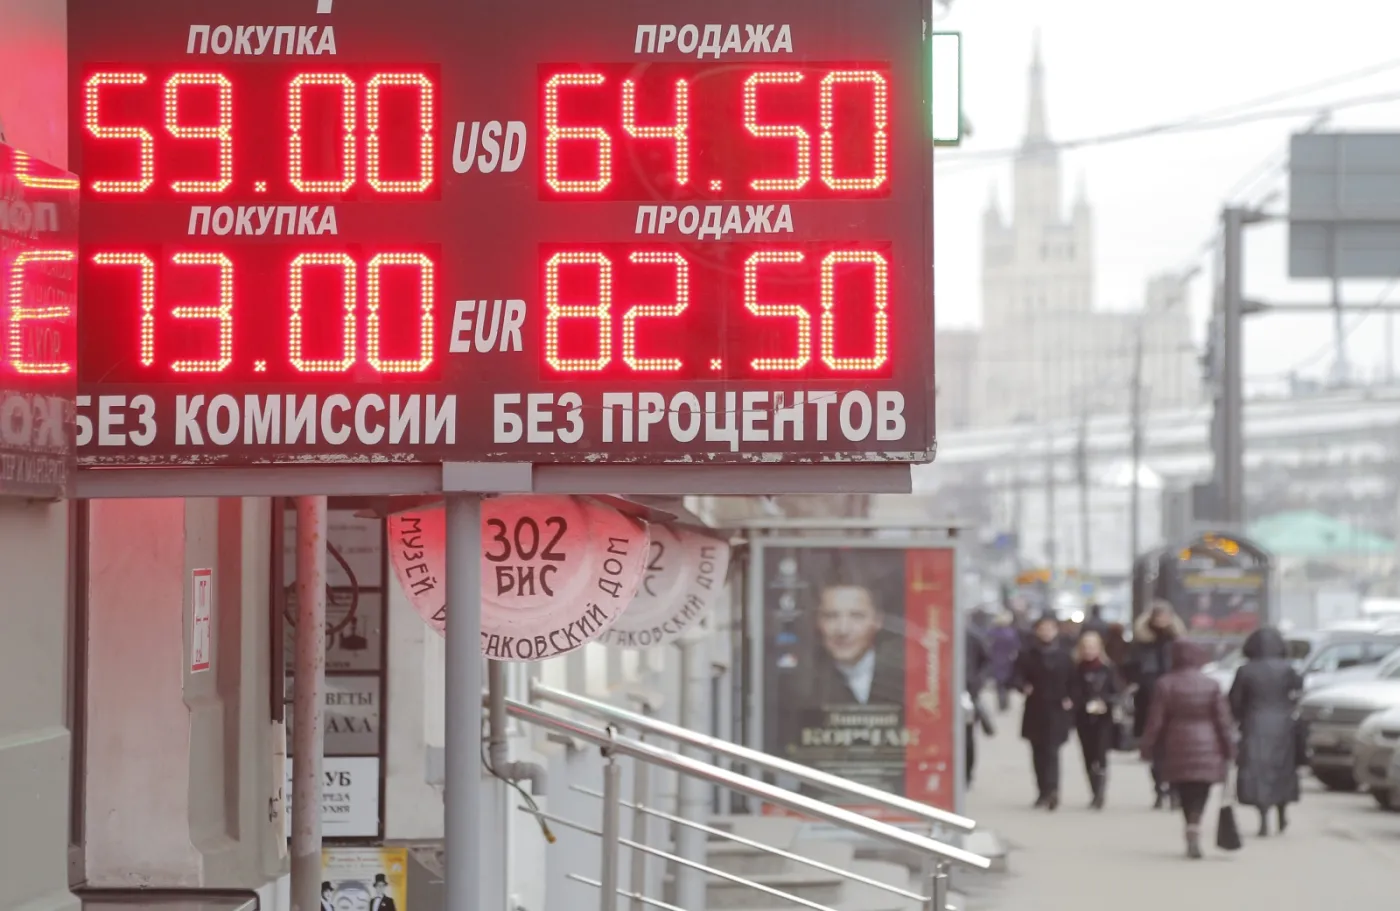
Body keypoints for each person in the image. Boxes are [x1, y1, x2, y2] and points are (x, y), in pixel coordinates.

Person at [1138, 639, 1236, 859]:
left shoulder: (1166, 683)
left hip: (1177, 741)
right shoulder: (1211, 684)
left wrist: (1148, 746)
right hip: (1208, 742)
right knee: (1201, 787)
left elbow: (1156, 720)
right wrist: (1229, 748)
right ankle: (1196, 820)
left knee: (1183, 788)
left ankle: (1189, 826)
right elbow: (1223, 721)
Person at [1229, 626, 1303, 836]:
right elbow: (1298, 691)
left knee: (1258, 772)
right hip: (1284, 726)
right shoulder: (1288, 669)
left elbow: (1235, 700)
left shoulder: (1245, 670)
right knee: (1283, 769)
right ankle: (1282, 812)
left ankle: (1263, 818)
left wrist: (1239, 719)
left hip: (1254, 724)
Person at [1127, 600, 1186, 808]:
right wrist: (1138, 683)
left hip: (1175, 703)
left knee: (1175, 749)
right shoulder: (1141, 643)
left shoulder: (1178, 643)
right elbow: (1131, 668)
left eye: (1165, 616)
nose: (1162, 620)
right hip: (1149, 702)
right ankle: (1159, 787)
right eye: (1158, 616)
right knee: (1155, 749)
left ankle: (1174, 789)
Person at [1014, 614, 1075, 810]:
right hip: (1035, 708)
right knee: (1038, 752)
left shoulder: (1065, 655)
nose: (1046, 632)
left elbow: (1074, 681)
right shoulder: (1027, 654)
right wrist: (1023, 686)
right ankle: (1041, 791)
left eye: (1050, 628)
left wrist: (1070, 698)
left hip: (1057, 709)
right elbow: (1015, 677)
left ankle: (1053, 790)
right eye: (1042, 628)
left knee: (1053, 751)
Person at [812, 582, 903, 706]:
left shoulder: (905, 678)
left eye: (856, 616)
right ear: (818, 622)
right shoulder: (801, 685)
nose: (843, 630)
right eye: (831, 616)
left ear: (878, 621)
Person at [1069, 631, 1120, 809]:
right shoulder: (1076, 669)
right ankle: (1093, 790)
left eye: (1092, 647)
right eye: (1085, 647)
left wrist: (1104, 703)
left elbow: (1116, 692)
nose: (1089, 651)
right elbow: (1072, 692)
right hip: (1083, 718)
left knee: (1101, 754)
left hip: (1103, 719)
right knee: (1088, 755)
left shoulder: (1108, 669)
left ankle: (1100, 794)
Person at [965, 622, 994, 785]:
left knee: (967, 736)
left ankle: (967, 773)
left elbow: (987, 661)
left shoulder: (972, 636)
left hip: (968, 693)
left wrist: (977, 681)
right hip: (941, 694)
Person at [989, 612, 1022, 712]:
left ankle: (1001, 704)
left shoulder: (992, 633)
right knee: (1006, 684)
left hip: (997, 661)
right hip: (1007, 661)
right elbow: (1016, 647)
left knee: (999, 685)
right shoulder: (1011, 633)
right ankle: (1005, 704)